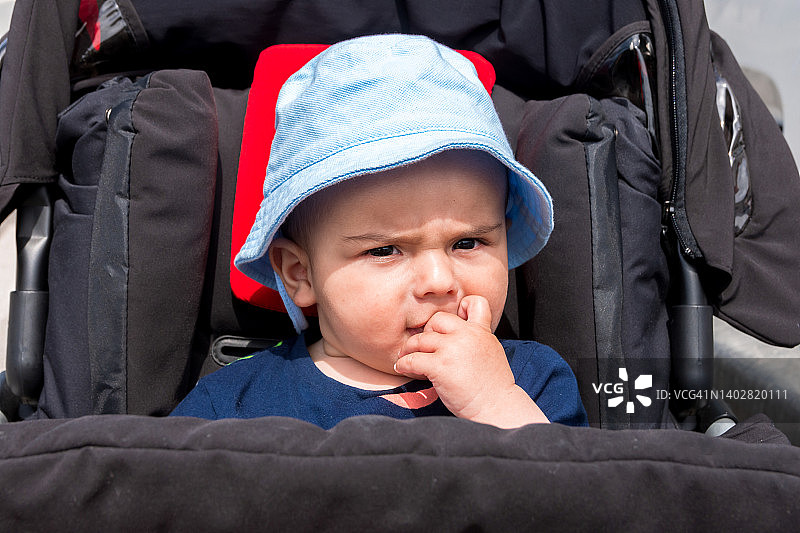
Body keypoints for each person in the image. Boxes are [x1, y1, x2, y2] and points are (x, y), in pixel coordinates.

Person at [171, 34, 588, 429]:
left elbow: (573, 482)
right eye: (385, 250)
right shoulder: (233, 406)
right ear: (301, 274)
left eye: (467, 242)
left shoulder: (531, 383)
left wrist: (495, 403)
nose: (438, 281)